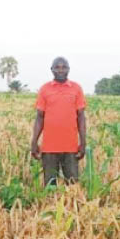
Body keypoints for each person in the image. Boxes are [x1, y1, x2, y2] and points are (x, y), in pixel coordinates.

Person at [30, 57, 87, 186]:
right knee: (50, 185)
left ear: (68, 69)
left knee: (72, 185)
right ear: (52, 70)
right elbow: (40, 117)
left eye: (64, 67)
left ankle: (72, 206)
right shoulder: (45, 89)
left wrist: (83, 142)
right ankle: (50, 206)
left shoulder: (76, 89)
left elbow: (81, 117)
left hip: (71, 147)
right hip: (49, 148)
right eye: (57, 67)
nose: (60, 70)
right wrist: (34, 142)